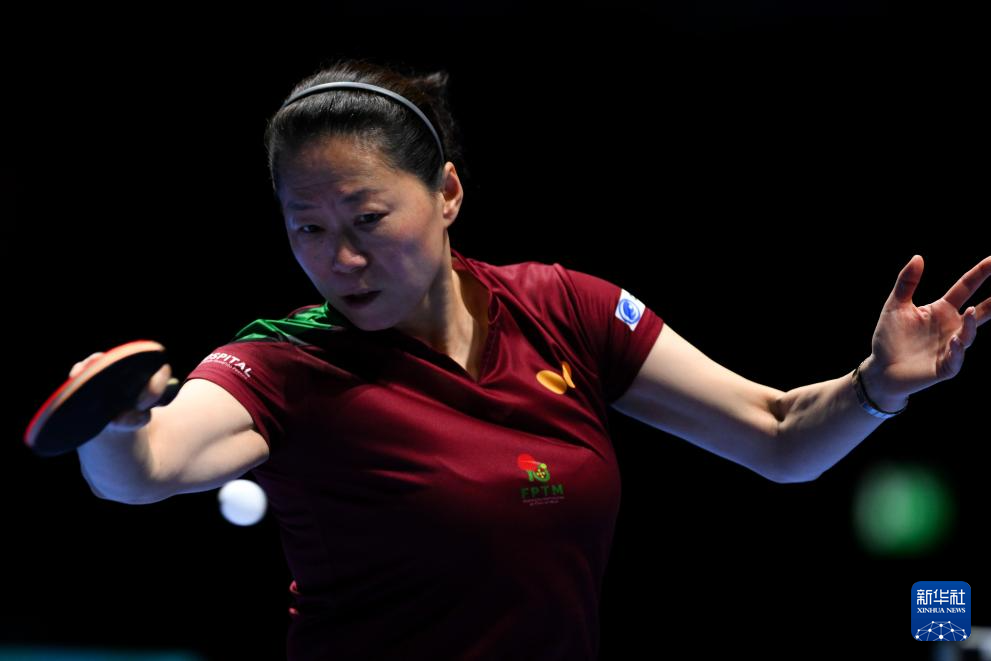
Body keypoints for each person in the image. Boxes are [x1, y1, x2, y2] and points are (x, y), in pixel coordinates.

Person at [73, 57, 990, 661]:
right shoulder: (286, 364)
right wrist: (113, 419)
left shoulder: (562, 308)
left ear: (447, 192)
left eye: (367, 217)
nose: (339, 258)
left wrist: (874, 388)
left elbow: (777, 433)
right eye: (306, 228)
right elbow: (145, 470)